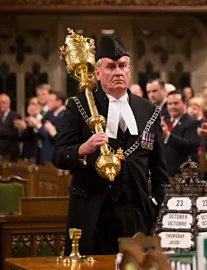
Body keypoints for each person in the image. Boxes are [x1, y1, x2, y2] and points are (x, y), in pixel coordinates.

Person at [53, 35, 169, 255]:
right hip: (92, 211)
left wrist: (159, 212)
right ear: (97, 73)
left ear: (129, 70)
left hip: (136, 212)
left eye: (123, 66)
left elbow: (159, 171)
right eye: (110, 67)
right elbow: (58, 155)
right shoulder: (79, 106)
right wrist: (82, 149)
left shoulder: (149, 111)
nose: (118, 72)